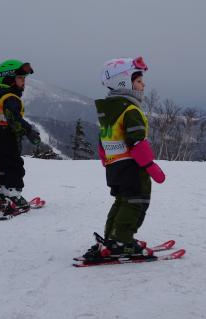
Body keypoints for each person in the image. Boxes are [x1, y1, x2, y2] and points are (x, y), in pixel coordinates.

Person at [83, 56, 166, 260]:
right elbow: (137, 143)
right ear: (124, 82)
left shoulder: (109, 110)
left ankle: (112, 237)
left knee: (122, 200)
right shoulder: (130, 110)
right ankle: (122, 241)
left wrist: (106, 161)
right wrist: (150, 166)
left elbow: (103, 140)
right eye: (138, 81)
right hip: (132, 166)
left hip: (115, 166)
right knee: (136, 201)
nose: (143, 84)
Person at [0, 59, 41, 214]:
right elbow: (13, 118)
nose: (24, 82)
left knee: (3, 165)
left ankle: (2, 195)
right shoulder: (11, 98)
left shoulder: (1, 96)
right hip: (6, 133)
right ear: (9, 79)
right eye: (21, 78)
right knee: (15, 165)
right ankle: (15, 197)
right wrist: (29, 131)